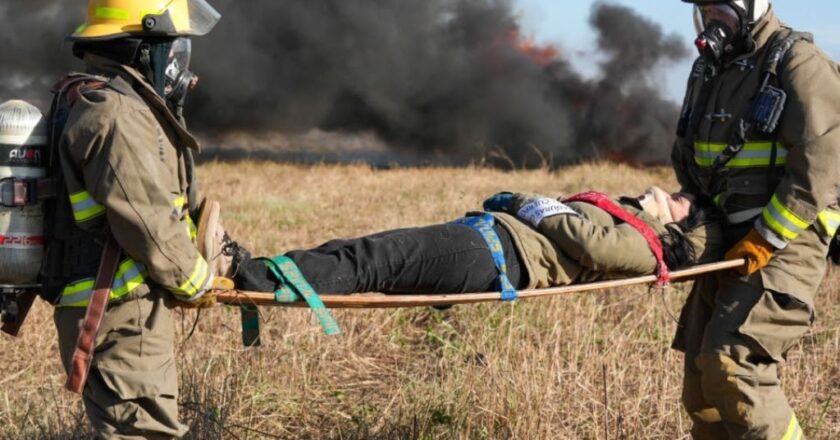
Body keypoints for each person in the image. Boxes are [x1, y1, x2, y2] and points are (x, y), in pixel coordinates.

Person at [45, 1, 242, 438]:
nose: (180, 62)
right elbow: (146, 219)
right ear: (142, 48)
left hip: (120, 307)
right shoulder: (115, 115)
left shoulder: (113, 102)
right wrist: (196, 280)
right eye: (173, 47)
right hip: (120, 314)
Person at [670, 1, 840, 438]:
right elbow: (689, 155)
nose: (711, 19)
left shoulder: (798, 61)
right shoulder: (706, 70)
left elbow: (822, 163)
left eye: (720, 9)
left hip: (787, 237)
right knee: (701, 386)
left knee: (733, 366)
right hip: (727, 240)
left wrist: (765, 238)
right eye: (704, 9)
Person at [233, 187, 723, 298]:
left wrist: (527, 203)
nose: (669, 191)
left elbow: (590, 246)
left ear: (681, 230)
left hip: (495, 256)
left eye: (681, 200)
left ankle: (247, 276)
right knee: (363, 248)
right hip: (486, 240)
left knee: (372, 260)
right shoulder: (630, 217)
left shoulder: (648, 247)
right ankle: (258, 268)